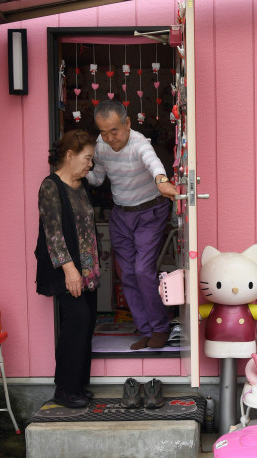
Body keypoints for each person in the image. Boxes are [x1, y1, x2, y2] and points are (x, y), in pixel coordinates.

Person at [87, 100, 177, 350]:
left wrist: (161, 180)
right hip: (121, 215)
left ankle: (160, 327)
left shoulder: (139, 143)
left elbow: (153, 163)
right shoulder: (100, 146)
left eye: (114, 130)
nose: (109, 138)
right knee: (126, 274)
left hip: (150, 212)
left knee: (142, 271)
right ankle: (145, 329)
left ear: (127, 123)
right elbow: (98, 178)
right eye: (103, 132)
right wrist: (80, 168)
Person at [35, 130, 100, 408]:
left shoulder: (81, 186)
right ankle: (64, 389)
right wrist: (70, 271)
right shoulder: (51, 186)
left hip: (88, 272)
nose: (90, 165)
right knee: (76, 323)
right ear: (70, 155)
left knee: (86, 325)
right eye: (87, 158)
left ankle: (77, 386)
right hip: (69, 272)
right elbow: (54, 234)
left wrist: (90, 271)